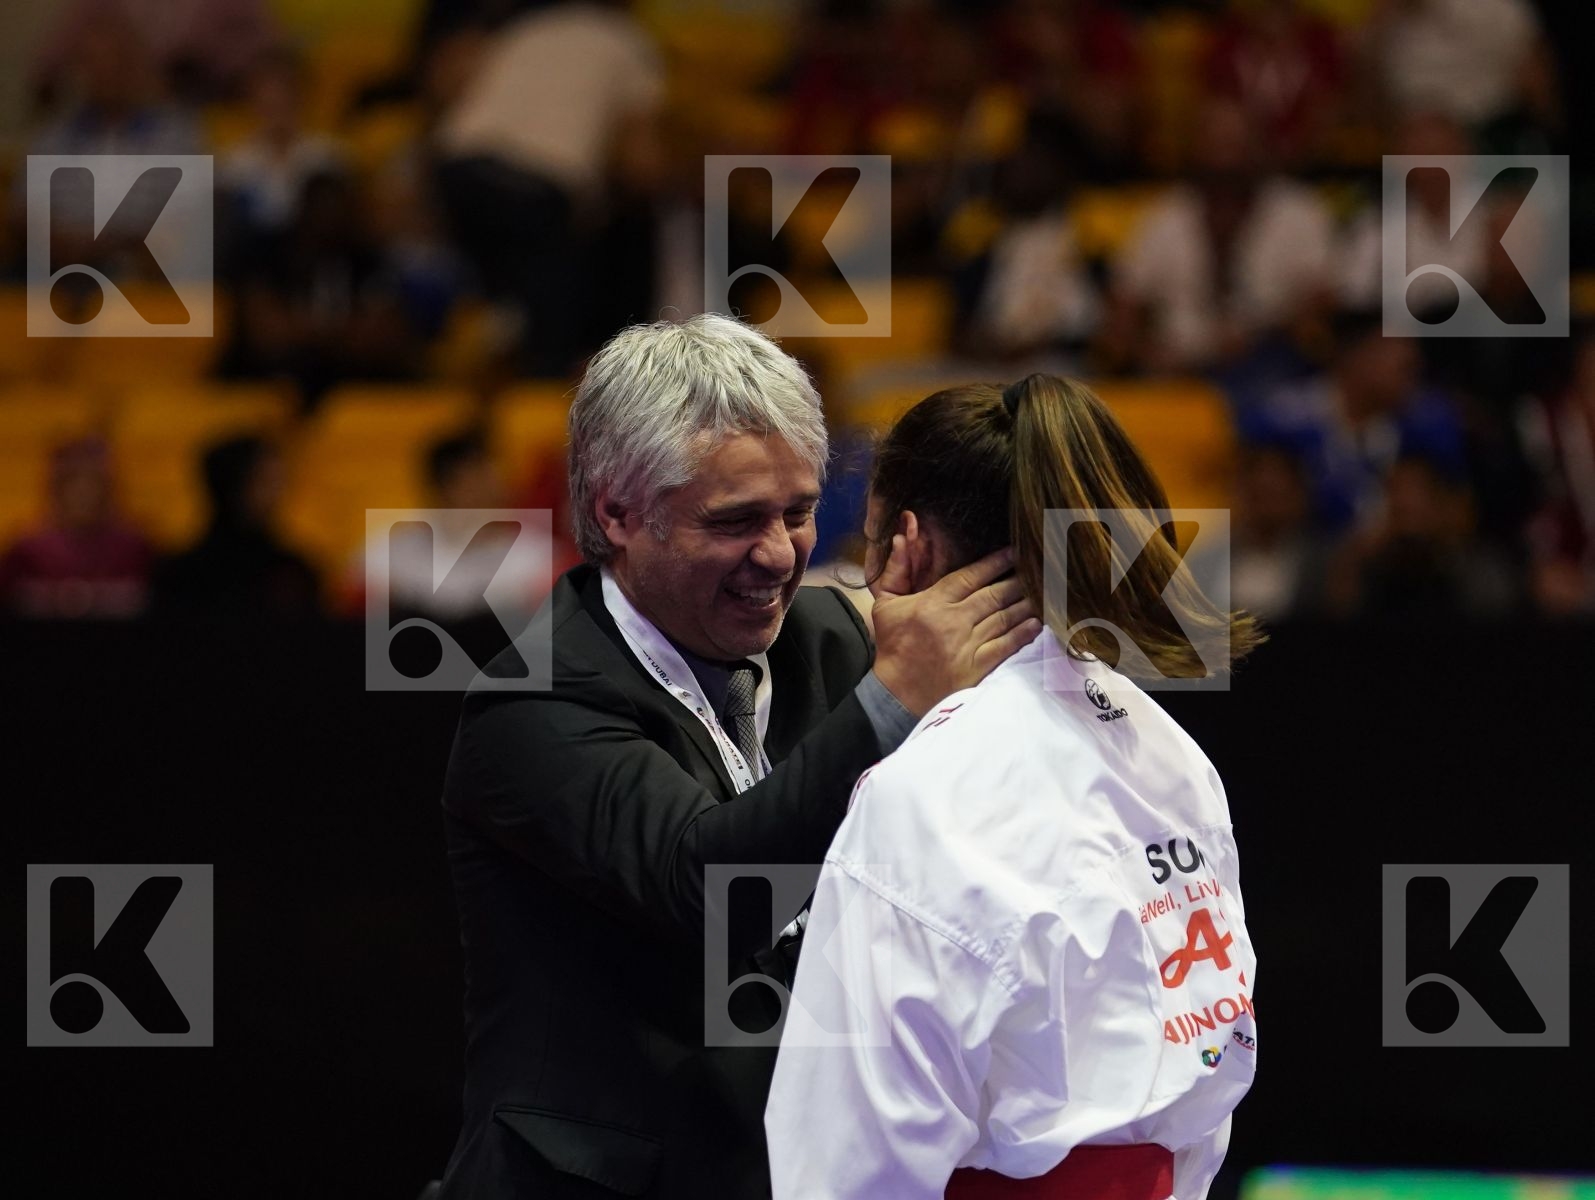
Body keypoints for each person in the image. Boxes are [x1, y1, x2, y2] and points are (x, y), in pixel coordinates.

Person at [437, 314, 1040, 1200]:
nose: (777, 555)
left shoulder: (838, 643)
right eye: (735, 521)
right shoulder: (531, 703)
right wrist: (892, 702)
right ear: (617, 512)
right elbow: (715, 895)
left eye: (797, 513)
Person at [765, 374, 1265, 1200]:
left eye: (866, 546)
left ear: (907, 549)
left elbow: (846, 1164)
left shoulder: (918, 798)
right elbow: (1214, 1056)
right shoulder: (1172, 753)